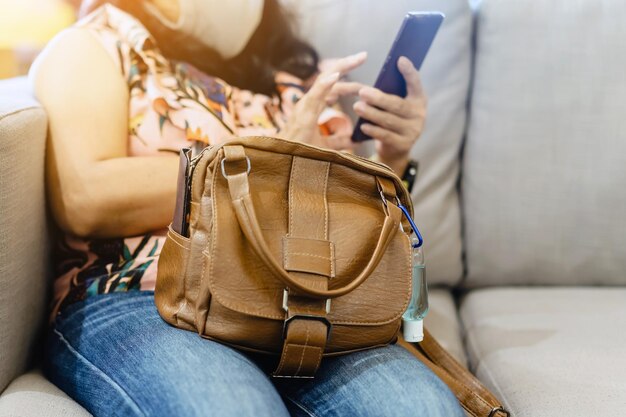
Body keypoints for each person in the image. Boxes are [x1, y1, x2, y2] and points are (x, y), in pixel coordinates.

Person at [29, 0, 465, 416]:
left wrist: (393, 156)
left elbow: (353, 233)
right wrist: (270, 153)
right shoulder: (95, 46)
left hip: (308, 303)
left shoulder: (298, 80)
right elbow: (85, 199)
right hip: (144, 295)